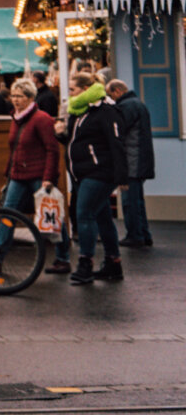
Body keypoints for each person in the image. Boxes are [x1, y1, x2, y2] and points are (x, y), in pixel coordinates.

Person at [0, 78, 71, 276]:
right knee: (8, 215)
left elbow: (52, 150)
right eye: (14, 95)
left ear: (31, 98)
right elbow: (15, 149)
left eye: (20, 96)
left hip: (38, 176)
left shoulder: (41, 119)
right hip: (18, 175)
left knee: (51, 216)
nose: (15, 100)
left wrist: (49, 177)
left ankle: (63, 258)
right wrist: (8, 173)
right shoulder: (16, 118)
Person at [56, 72, 125, 284]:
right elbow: (76, 142)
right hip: (82, 173)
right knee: (103, 217)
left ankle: (86, 263)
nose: (70, 94)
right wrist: (60, 134)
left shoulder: (105, 110)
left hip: (100, 172)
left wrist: (122, 177)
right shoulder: (80, 111)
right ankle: (113, 263)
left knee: (84, 214)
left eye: (73, 90)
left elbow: (117, 143)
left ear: (85, 89)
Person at [106, 78, 155, 249]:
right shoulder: (138, 104)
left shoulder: (126, 107)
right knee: (137, 200)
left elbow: (119, 131)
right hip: (140, 158)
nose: (111, 98)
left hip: (131, 160)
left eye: (110, 94)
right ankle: (143, 233)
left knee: (130, 201)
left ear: (117, 91)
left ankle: (135, 235)